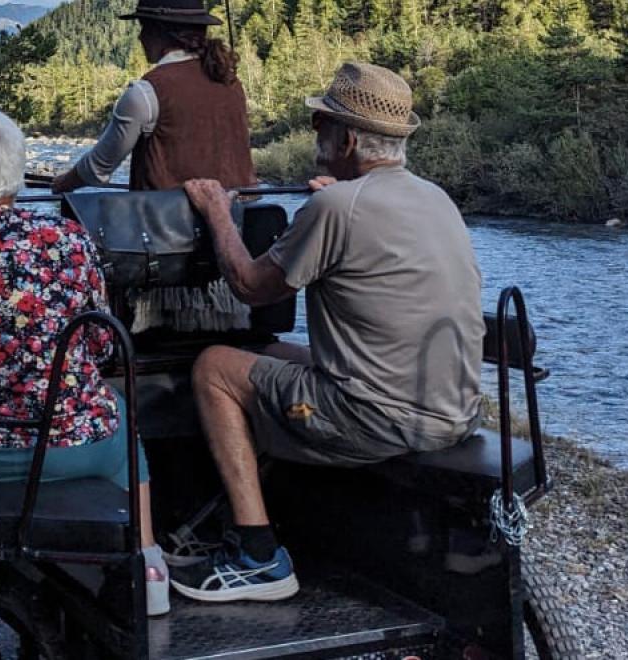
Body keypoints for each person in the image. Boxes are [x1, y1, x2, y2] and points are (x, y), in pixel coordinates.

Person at [169, 63, 486, 603]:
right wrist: (336, 198)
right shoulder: (434, 197)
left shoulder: (336, 206)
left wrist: (217, 211)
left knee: (214, 368)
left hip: (379, 419)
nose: (316, 133)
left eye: (321, 124)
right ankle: (275, 500)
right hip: (455, 411)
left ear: (348, 140)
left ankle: (257, 556)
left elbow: (250, 286)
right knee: (269, 351)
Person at [0, 108, 171, 616]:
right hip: (79, 447)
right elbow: (101, 346)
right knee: (123, 422)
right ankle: (147, 564)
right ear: (17, 180)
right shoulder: (71, 242)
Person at [50, 0, 255, 193]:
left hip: (170, 217)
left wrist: (62, 183)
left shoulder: (146, 92)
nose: (140, 37)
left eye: (143, 28)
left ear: (159, 31)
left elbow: (97, 168)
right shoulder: (231, 82)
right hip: (243, 214)